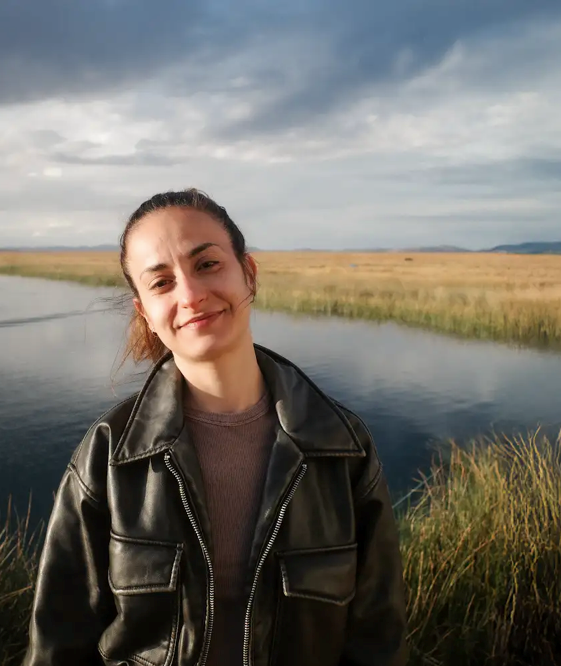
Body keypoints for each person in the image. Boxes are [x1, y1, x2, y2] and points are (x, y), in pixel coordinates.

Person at [23, 189, 408, 666]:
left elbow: (377, 640)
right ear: (145, 312)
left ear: (249, 274)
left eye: (206, 265)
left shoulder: (341, 446)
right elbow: (59, 642)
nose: (190, 295)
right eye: (161, 282)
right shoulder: (111, 453)